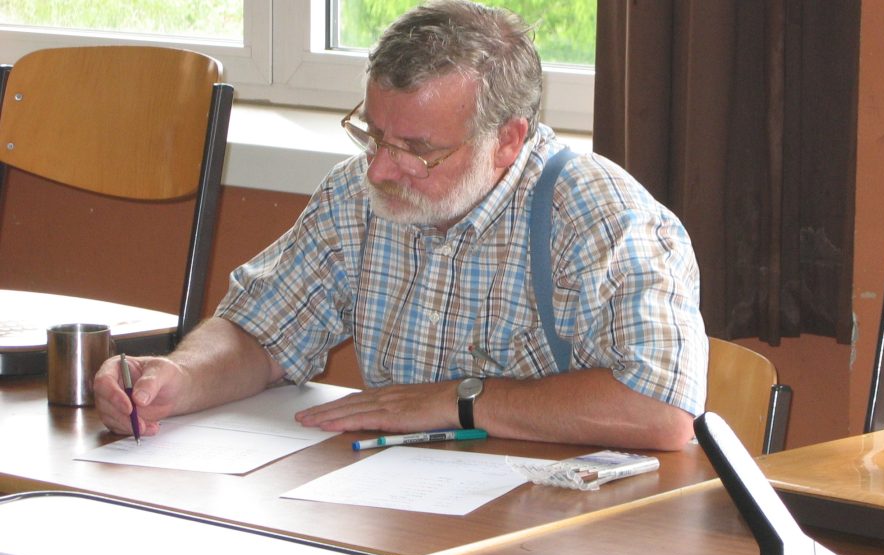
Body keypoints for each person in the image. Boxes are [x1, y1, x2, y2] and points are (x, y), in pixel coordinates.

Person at [94, 0, 708, 451]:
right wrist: (176, 378)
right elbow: (261, 333)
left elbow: (661, 411)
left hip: (555, 536)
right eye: (373, 134)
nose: (383, 168)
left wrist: (458, 401)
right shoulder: (358, 194)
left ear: (508, 139)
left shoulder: (601, 217)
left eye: (418, 149)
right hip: (400, 509)